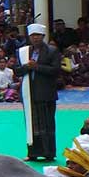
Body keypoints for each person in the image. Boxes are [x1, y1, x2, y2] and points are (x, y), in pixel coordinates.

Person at [14, 24, 60, 161]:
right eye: (33, 35)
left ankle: (48, 153)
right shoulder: (23, 52)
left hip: (46, 93)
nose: (35, 38)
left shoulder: (52, 51)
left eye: (38, 35)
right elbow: (17, 71)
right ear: (29, 37)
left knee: (47, 124)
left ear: (43, 36)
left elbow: (56, 71)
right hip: (29, 93)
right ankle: (33, 153)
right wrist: (26, 67)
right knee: (32, 124)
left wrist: (37, 67)